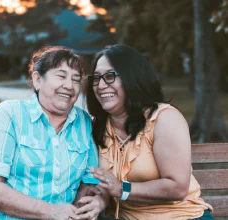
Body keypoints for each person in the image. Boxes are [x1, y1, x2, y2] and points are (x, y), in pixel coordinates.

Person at [0, 46, 106, 220]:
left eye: (76, 80)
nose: (69, 86)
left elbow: (89, 182)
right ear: (38, 80)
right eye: (61, 76)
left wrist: (78, 212)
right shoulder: (10, 114)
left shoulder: (84, 123)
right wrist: (50, 211)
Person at [83, 44, 213, 219]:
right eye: (96, 78)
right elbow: (107, 184)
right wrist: (100, 201)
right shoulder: (98, 126)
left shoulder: (163, 119)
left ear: (132, 78)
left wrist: (122, 188)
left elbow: (177, 187)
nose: (100, 85)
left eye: (110, 76)